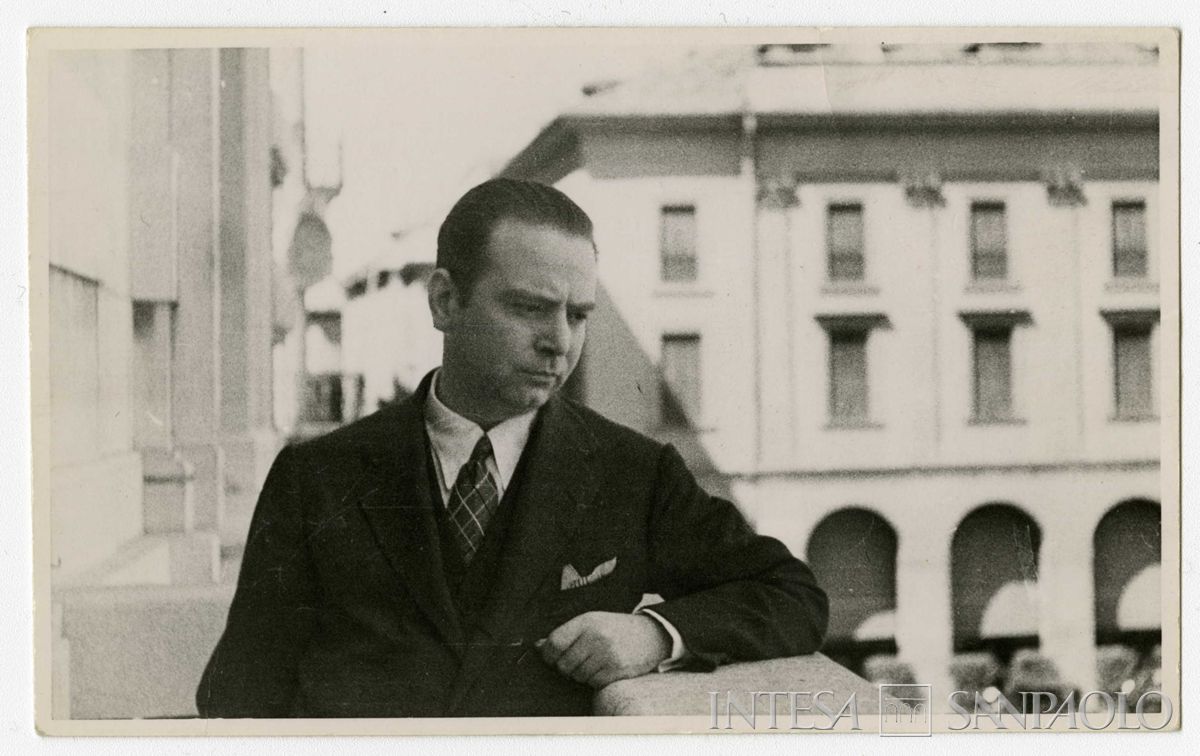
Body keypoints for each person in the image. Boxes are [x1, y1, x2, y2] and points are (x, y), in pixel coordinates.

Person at [196, 178, 828, 718]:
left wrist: (655, 634)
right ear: (445, 300)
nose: (559, 343)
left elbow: (792, 594)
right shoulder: (317, 479)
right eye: (530, 308)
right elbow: (240, 694)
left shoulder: (632, 474)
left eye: (578, 315)